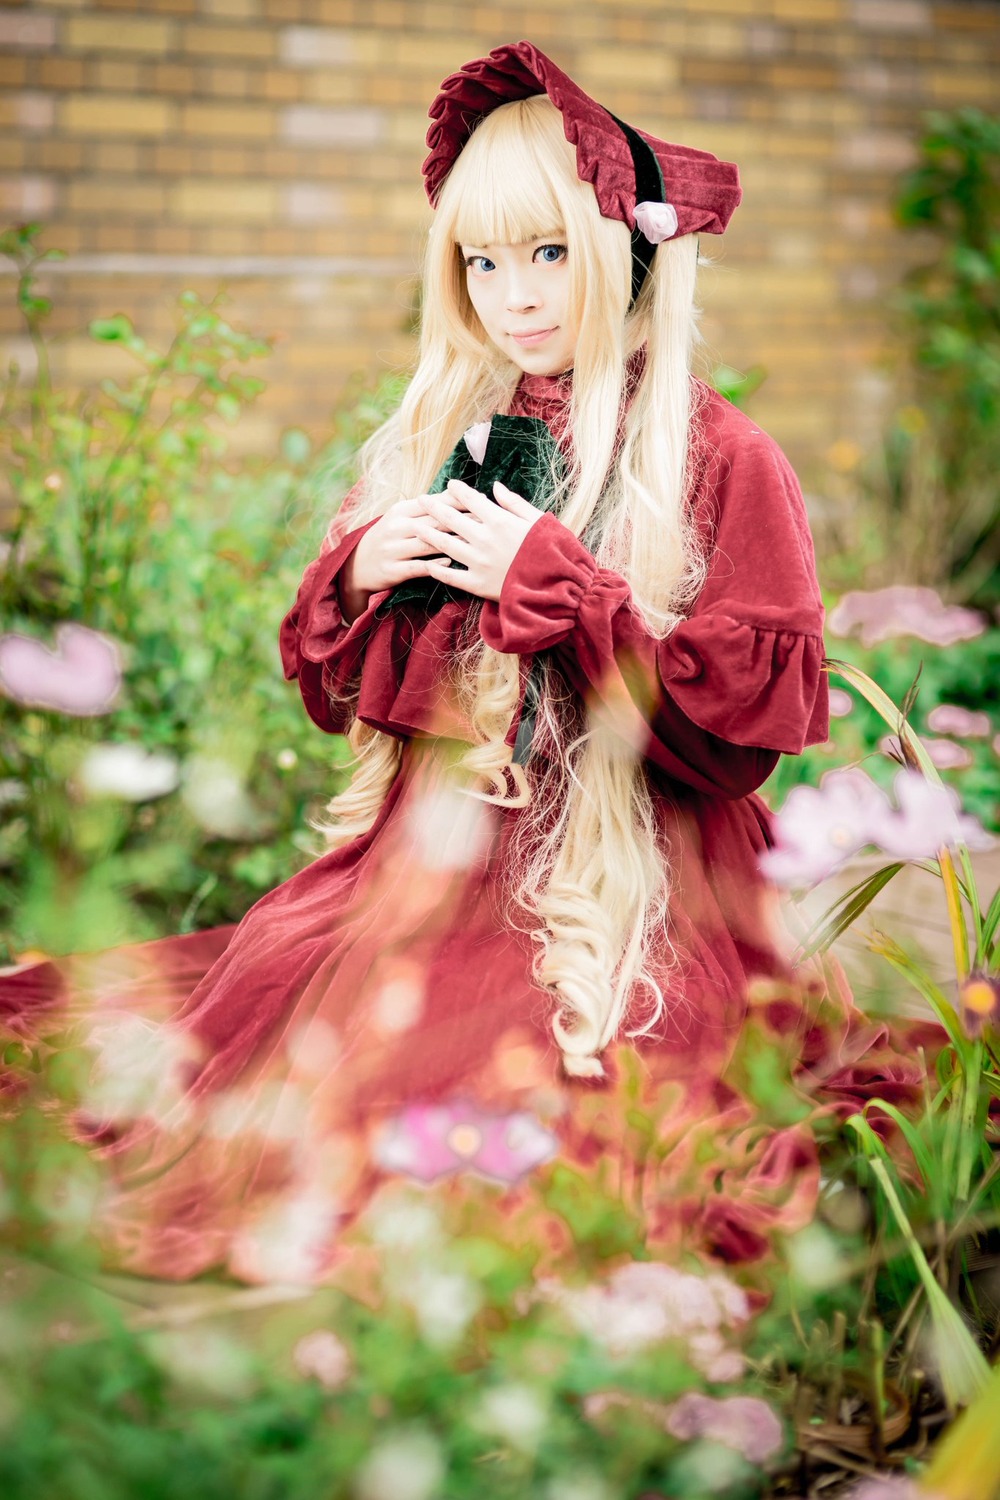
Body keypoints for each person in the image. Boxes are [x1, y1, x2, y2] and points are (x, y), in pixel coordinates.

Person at [0, 42, 910, 1282]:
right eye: (482, 263)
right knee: (283, 1043)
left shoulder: (718, 456)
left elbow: (733, 739)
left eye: (545, 254)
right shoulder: (458, 434)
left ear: (623, 254)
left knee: (543, 1111)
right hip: (436, 861)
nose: (515, 296)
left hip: (638, 891)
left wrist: (567, 589)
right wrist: (365, 572)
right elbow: (337, 695)